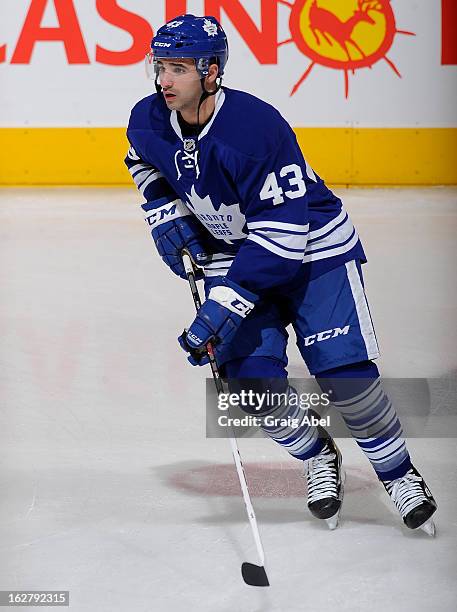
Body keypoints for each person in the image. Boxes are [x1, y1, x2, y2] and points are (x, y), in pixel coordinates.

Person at [124, 14, 437, 534]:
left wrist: (221, 308)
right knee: (250, 380)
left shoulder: (255, 129)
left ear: (211, 71)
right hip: (235, 249)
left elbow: (282, 239)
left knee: (345, 376)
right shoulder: (150, 117)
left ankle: (399, 473)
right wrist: (164, 213)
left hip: (313, 248)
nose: (164, 80)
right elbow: (143, 161)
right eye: (159, 66)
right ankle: (317, 455)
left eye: (177, 68)